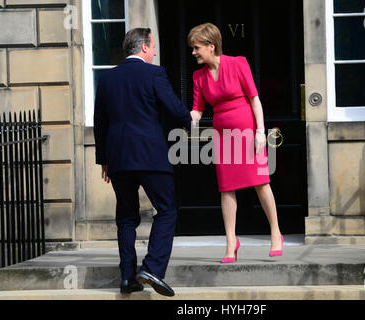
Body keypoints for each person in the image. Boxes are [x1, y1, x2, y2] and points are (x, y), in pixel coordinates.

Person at [94, 28, 191, 296]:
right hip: (150, 155)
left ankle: (127, 278)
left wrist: (103, 160)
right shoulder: (154, 73)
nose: (156, 52)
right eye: (153, 47)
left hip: (118, 159)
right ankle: (152, 268)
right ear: (144, 48)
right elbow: (172, 106)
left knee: (126, 218)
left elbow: (100, 123)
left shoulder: (107, 79)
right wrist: (188, 120)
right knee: (168, 210)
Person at [187, 23, 284, 263]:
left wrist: (261, 132)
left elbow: (255, 99)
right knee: (226, 187)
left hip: (249, 132)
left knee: (261, 183)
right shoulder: (198, 76)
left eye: (197, 48)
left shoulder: (238, 63)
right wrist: (183, 117)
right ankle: (231, 240)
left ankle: (275, 233)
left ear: (211, 46)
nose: (193, 53)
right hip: (223, 135)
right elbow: (197, 111)